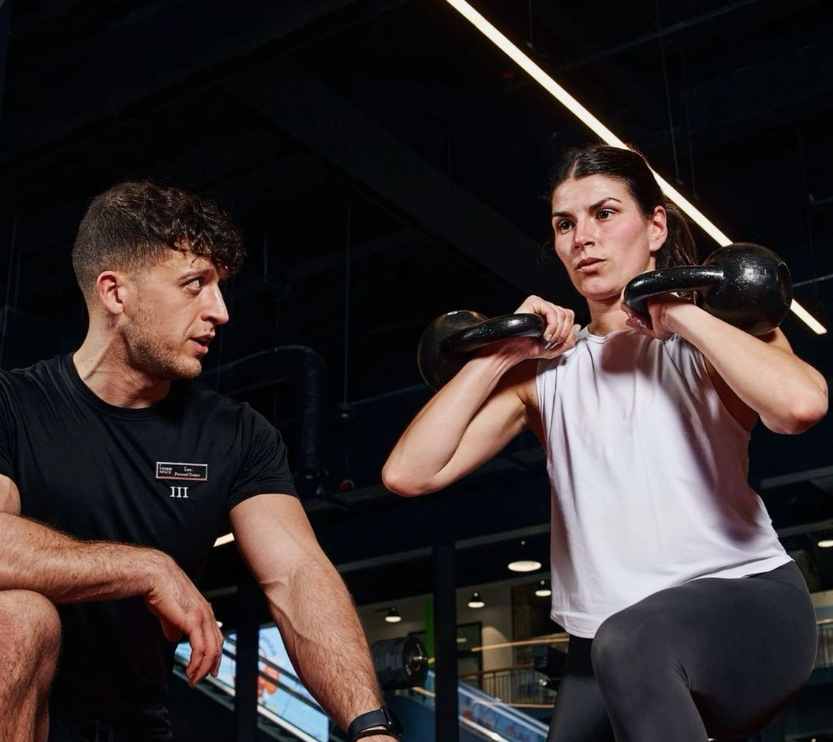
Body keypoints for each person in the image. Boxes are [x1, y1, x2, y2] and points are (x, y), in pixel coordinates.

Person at [382, 144, 828, 742]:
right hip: (604, 647)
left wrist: (677, 313)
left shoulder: (713, 336)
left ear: (656, 225)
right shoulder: (545, 377)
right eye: (565, 224)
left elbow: (800, 406)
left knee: (632, 642)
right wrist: (503, 354)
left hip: (747, 609)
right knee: (621, 646)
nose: (582, 238)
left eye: (605, 213)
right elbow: (410, 473)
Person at [0, 182, 400, 742]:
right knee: (18, 618)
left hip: (137, 724)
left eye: (218, 287)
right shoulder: (13, 404)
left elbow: (296, 575)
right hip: (27, 711)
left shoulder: (235, 434)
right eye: (195, 285)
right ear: (116, 293)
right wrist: (148, 568)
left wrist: (370, 727)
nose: (221, 311)